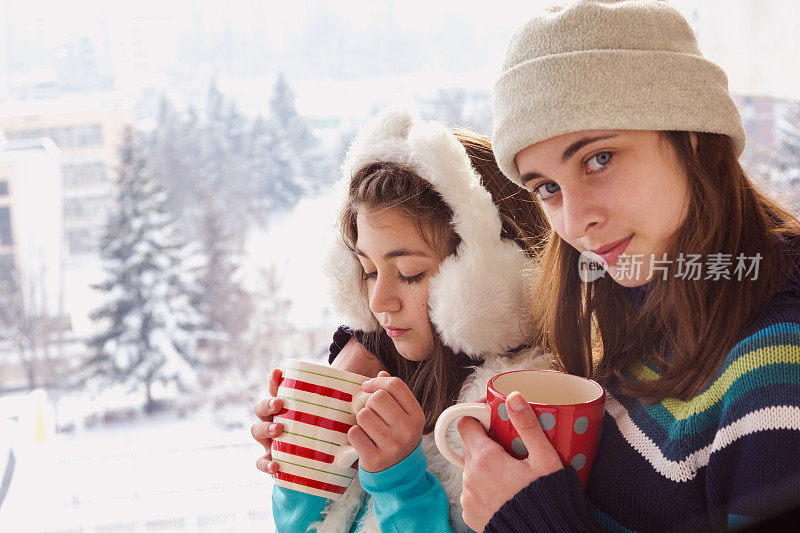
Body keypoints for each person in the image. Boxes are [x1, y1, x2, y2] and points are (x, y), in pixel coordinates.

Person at [455, 1, 800, 531]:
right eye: (547, 188)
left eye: (598, 159)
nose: (575, 222)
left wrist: (532, 522)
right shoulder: (640, 301)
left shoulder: (778, 366)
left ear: (691, 135)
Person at [251, 108, 551, 532]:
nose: (378, 301)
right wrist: (303, 470)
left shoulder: (523, 420)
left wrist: (399, 484)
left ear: (486, 280)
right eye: (369, 271)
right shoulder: (381, 373)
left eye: (409, 274)